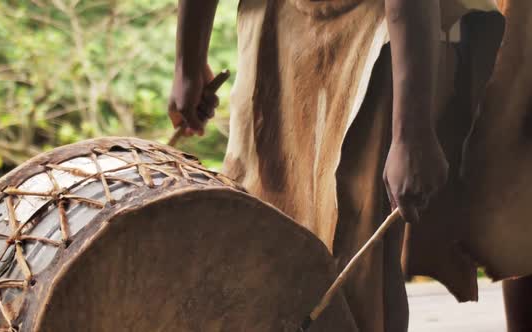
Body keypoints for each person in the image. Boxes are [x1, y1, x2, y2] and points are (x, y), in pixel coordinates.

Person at [168, 0, 499, 331]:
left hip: (369, 33)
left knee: (358, 270)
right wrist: (188, 60)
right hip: (270, 28)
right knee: (258, 242)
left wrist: (411, 133)